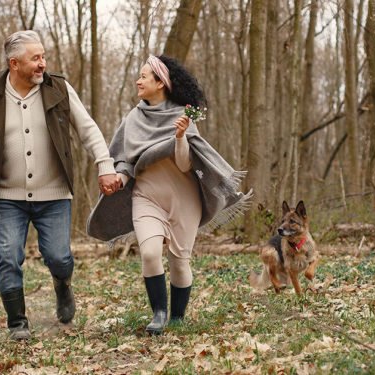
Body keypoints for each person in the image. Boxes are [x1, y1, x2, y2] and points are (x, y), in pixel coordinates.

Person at [0, 30, 121, 341]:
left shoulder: (59, 88)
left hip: (54, 195)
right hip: (7, 196)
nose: (43, 64)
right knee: (7, 256)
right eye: (35, 59)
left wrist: (105, 166)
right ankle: (18, 323)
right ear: (14, 64)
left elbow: (89, 130)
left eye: (43, 57)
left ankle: (62, 285)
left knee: (58, 256)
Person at [86, 55, 252, 335]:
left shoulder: (183, 116)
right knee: (150, 253)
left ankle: (177, 316)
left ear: (160, 83)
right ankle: (159, 314)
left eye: (144, 76)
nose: (138, 81)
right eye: (138, 76)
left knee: (179, 260)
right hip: (146, 197)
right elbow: (126, 160)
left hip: (184, 200)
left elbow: (187, 164)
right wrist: (119, 178)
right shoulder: (133, 118)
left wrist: (179, 138)